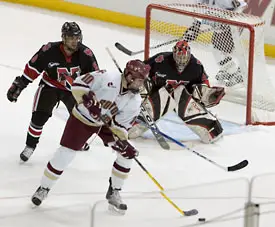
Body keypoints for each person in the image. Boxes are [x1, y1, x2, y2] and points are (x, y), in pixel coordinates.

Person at [30, 60, 151, 214]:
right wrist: (86, 99)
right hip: (81, 119)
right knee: (65, 154)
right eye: (140, 80)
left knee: (126, 155)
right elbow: (78, 85)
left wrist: (122, 142)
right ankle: (44, 188)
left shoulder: (135, 100)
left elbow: (120, 126)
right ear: (129, 76)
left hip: (106, 124)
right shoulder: (107, 77)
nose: (141, 85)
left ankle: (114, 191)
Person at [6, 22, 99, 162]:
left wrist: (94, 95)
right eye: (71, 38)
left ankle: (78, 141)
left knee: (79, 119)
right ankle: (30, 146)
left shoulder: (86, 54)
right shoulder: (49, 50)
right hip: (50, 86)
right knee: (38, 117)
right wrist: (20, 84)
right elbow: (33, 68)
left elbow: (95, 77)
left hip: (73, 90)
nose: (75, 41)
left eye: (77, 37)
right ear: (64, 38)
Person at [128, 40, 224, 144]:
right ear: (173, 54)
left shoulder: (196, 66)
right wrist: (133, 77)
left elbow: (203, 87)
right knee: (131, 132)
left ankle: (210, 128)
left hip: (183, 99)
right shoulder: (160, 60)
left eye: (184, 58)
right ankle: (131, 123)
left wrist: (210, 95)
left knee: (179, 92)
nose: (181, 61)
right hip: (157, 95)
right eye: (179, 57)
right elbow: (142, 69)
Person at [182, 0, 247, 87]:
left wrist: (230, 20)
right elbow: (199, 11)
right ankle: (229, 70)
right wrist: (195, 27)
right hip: (219, 25)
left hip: (234, 24)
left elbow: (242, 6)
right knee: (217, 48)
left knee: (218, 50)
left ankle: (236, 73)